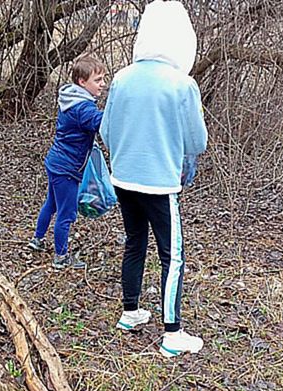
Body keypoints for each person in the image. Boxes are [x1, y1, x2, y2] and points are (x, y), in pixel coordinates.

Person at [100, 1, 208, 357]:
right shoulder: (182, 84)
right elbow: (198, 142)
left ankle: (130, 311)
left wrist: (127, 155)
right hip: (160, 184)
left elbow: (106, 130)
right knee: (172, 256)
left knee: (134, 243)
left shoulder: (121, 78)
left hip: (124, 179)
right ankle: (173, 333)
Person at [28, 53, 106, 269]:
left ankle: (37, 239)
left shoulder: (72, 99)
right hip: (66, 168)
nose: (102, 84)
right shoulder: (83, 108)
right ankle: (61, 257)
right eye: (97, 80)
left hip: (56, 162)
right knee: (67, 213)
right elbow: (102, 122)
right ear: (82, 82)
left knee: (52, 204)